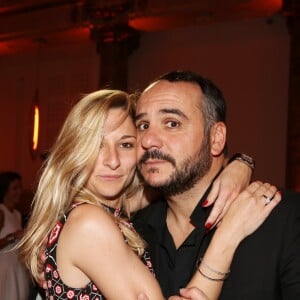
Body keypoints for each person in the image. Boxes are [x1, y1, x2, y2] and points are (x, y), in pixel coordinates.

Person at [19, 89, 280, 300]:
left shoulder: (112, 207)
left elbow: (178, 177)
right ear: (74, 151)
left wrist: (239, 164)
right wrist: (228, 235)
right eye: (96, 146)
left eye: (126, 144)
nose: (112, 161)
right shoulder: (90, 223)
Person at [132, 70, 300, 299]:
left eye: (172, 123)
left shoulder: (285, 219)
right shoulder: (131, 232)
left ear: (216, 138)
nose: (148, 140)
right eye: (142, 125)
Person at [0, 171, 30, 300]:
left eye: (20, 187)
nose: (19, 191)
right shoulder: (1, 212)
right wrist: (12, 236)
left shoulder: (17, 214)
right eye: (15, 188)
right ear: (5, 191)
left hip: (17, 267)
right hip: (4, 268)